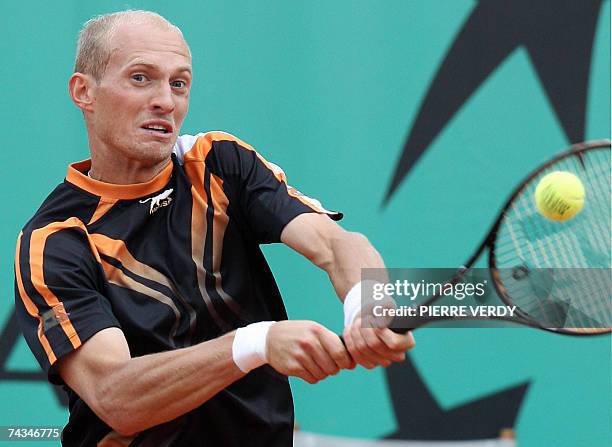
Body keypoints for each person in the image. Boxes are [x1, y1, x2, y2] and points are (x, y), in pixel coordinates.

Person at [14, 10, 415, 447]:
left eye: (179, 83)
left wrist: (366, 304)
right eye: (141, 78)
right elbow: (116, 396)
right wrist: (256, 343)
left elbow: (336, 245)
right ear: (84, 92)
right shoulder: (55, 240)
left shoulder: (217, 164)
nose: (166, 101)